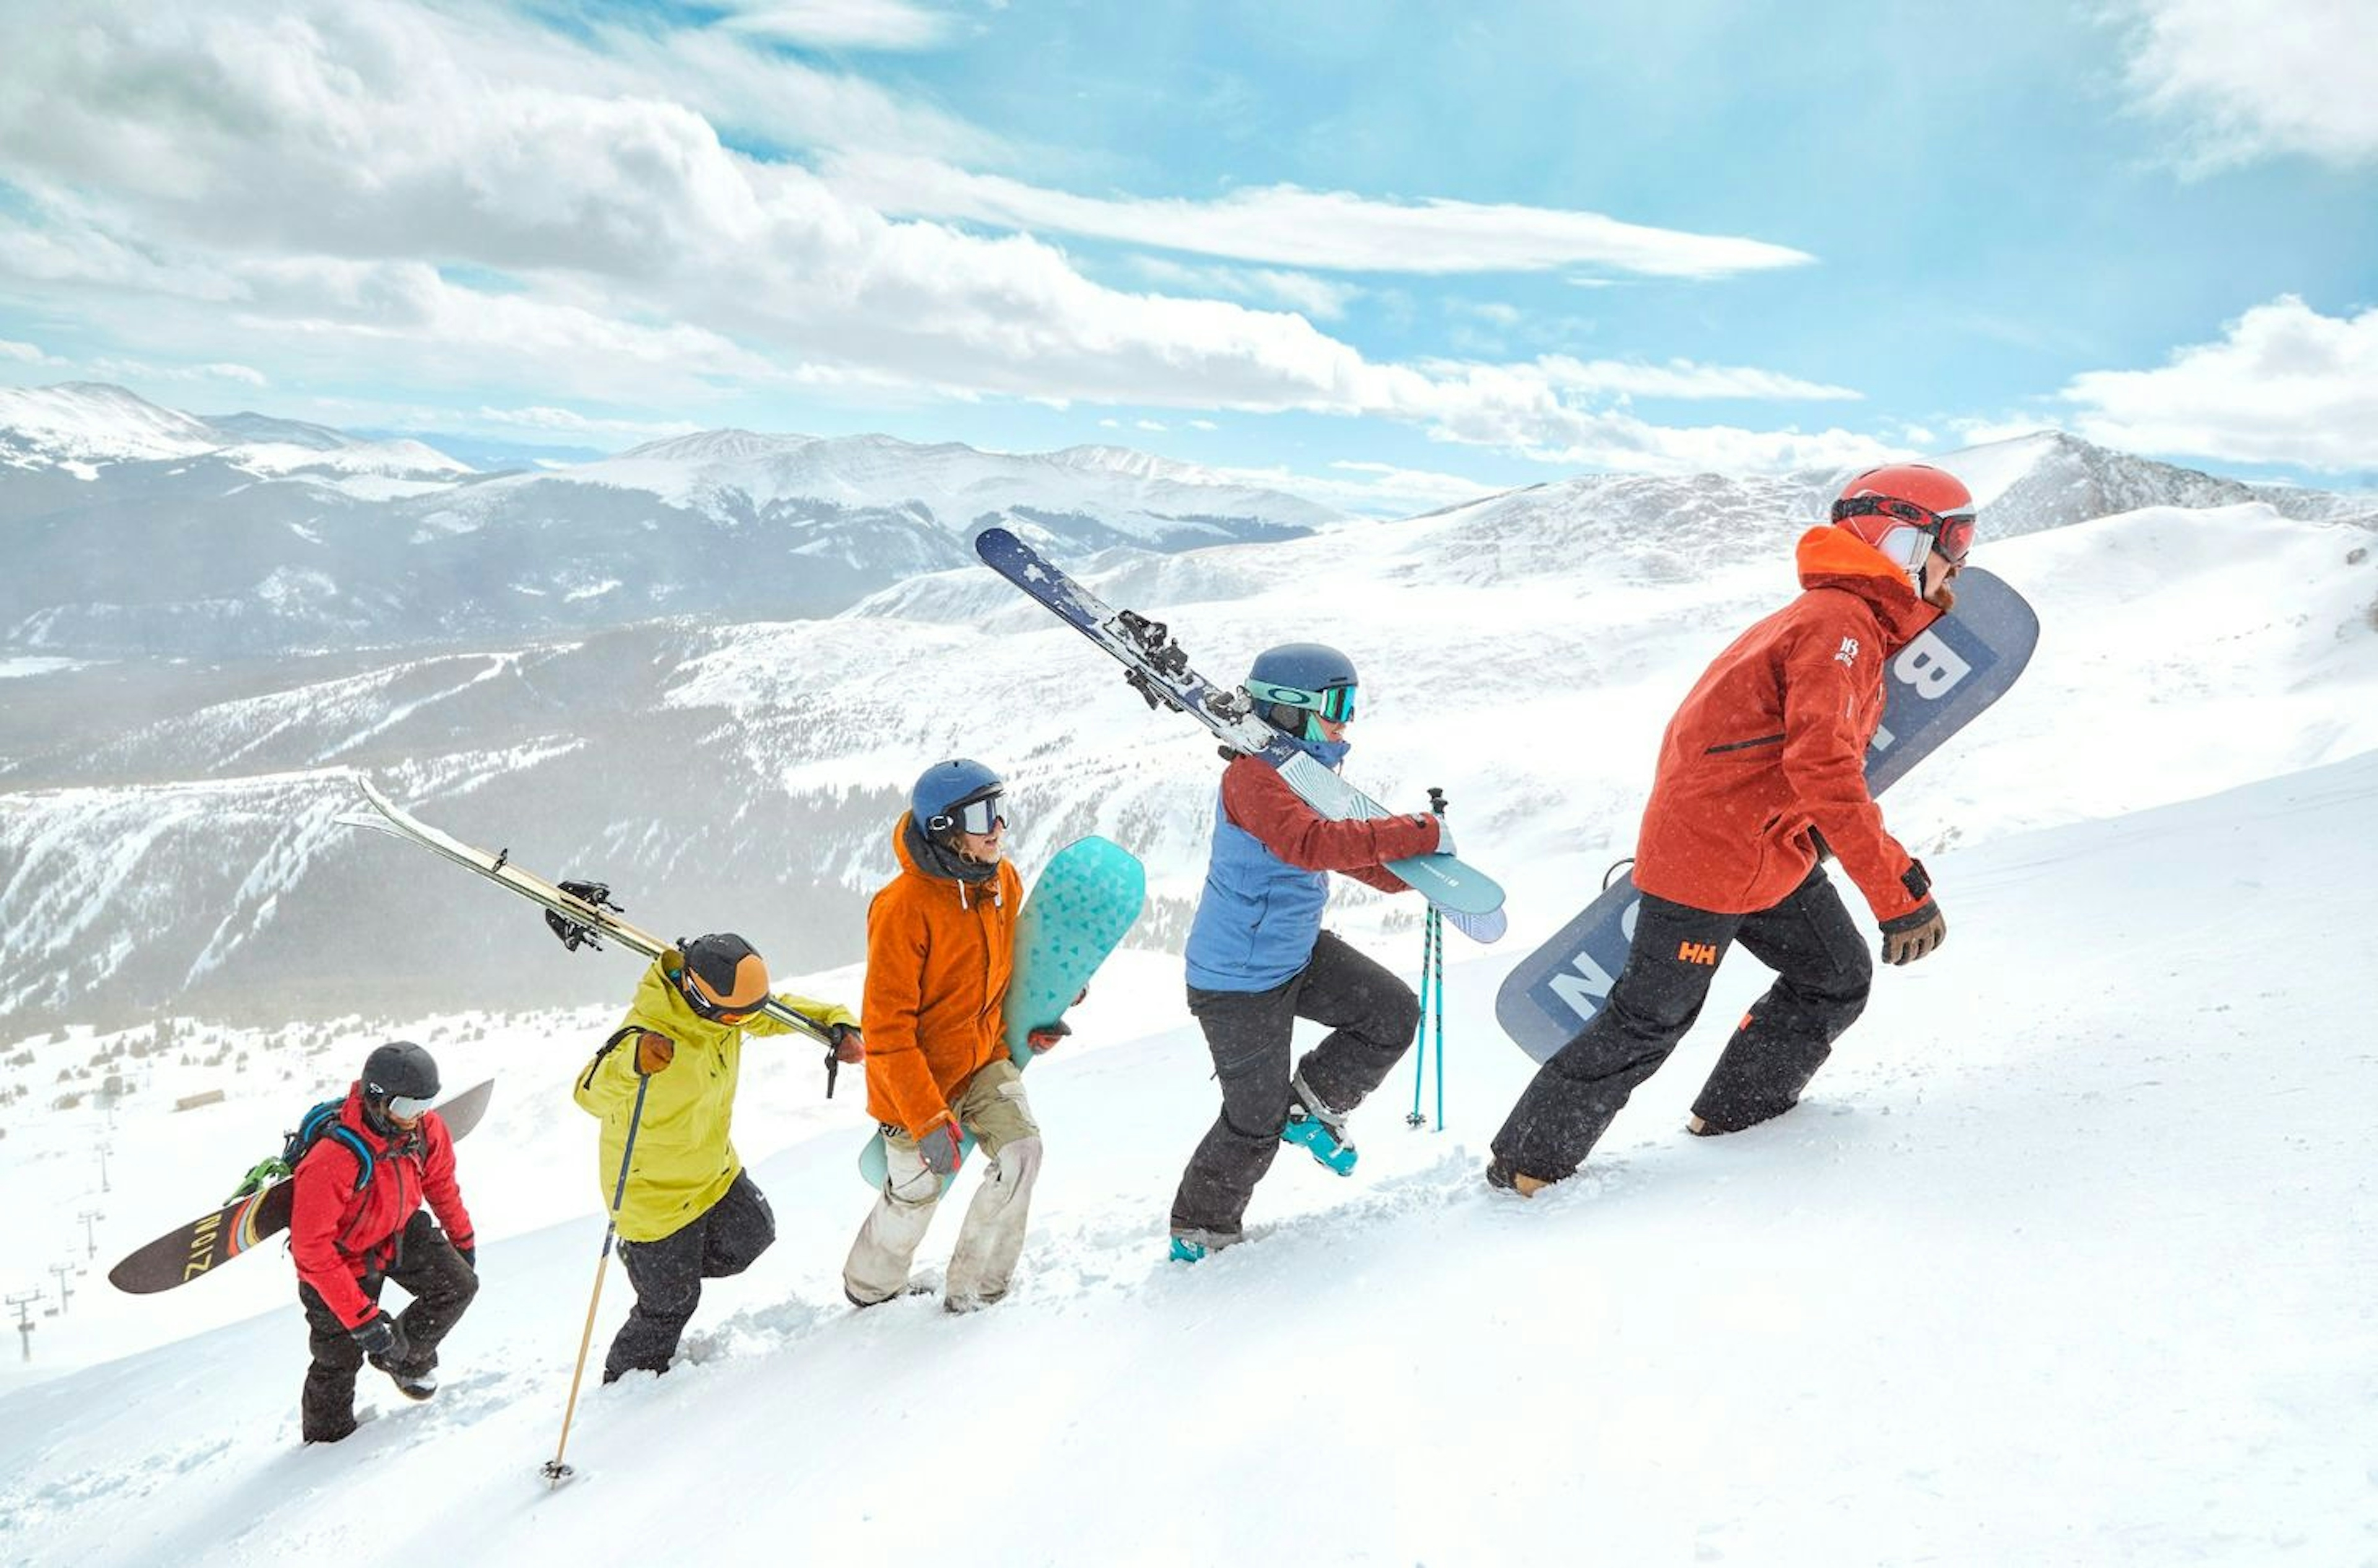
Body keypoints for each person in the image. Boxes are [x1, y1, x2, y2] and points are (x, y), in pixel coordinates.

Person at [1488, 463, 1975, 1195]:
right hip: (1710, 861)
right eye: (1955, 538)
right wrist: (1896, 889)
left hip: (1764, 851)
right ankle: (1525, 1167)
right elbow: (1826, 769)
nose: (1963, 559)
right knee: (1650, 1020)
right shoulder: (1837, 627)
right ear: (1902, 540)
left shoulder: (1845, 623)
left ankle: (1736, 1122)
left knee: (1834, 978)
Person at [1167, 643, 1447, 1261]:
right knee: (1252, 1122)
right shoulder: (1252, 778)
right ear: (1289, 710)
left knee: (1390, 1016)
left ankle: (1311, 1106)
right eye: (1337, 705)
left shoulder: (1302, 774)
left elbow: (1340, 850)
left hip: (1295, 954)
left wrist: (1407, 874)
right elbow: (1310, 844)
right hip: (1237, 979)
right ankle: (1200, 1228)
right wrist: (1412, 833)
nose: (1347, 720)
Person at [573, 933, 860, 1380]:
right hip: (655, 1200)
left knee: (753, 1236)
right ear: (700, 999)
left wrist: (835, 1024)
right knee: (670, 1307)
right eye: (735, 1016)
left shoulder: (724, 1015)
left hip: (714, 1171)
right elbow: (587, 1095)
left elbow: (772, 1012)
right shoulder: (647, 1033)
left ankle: (664, 1272)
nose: (742, 1023)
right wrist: (633, 1061)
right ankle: (624, 1387)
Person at [844, 759, 1068, 1313]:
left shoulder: (1002, 880)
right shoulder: (902, 909)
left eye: (997, 810)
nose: (997, 827)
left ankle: (976, 1292)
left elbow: (1002, 971)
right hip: (914, 1084)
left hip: (984, 1062)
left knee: (1023, 1153)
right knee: (915, 1198)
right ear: (944, 828)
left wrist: (1038, 1016)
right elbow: (887, 1029)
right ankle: (869, 1290)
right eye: (979, 815)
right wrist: (924, 1116)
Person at [289, 1039, 477, 1444]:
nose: (417, 1118)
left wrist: (463, 1238)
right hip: (340, 1260)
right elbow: (311, 1250)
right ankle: (324, 1447)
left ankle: (405, 1360)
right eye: (407, 1108)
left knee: (458, 1286)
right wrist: (363, 1321)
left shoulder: (426, 1129)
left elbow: (441, 1184)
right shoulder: (332, 1159)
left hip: (398, 1232)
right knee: (337, 1358)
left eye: (424, 1105)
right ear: (378, 1100)